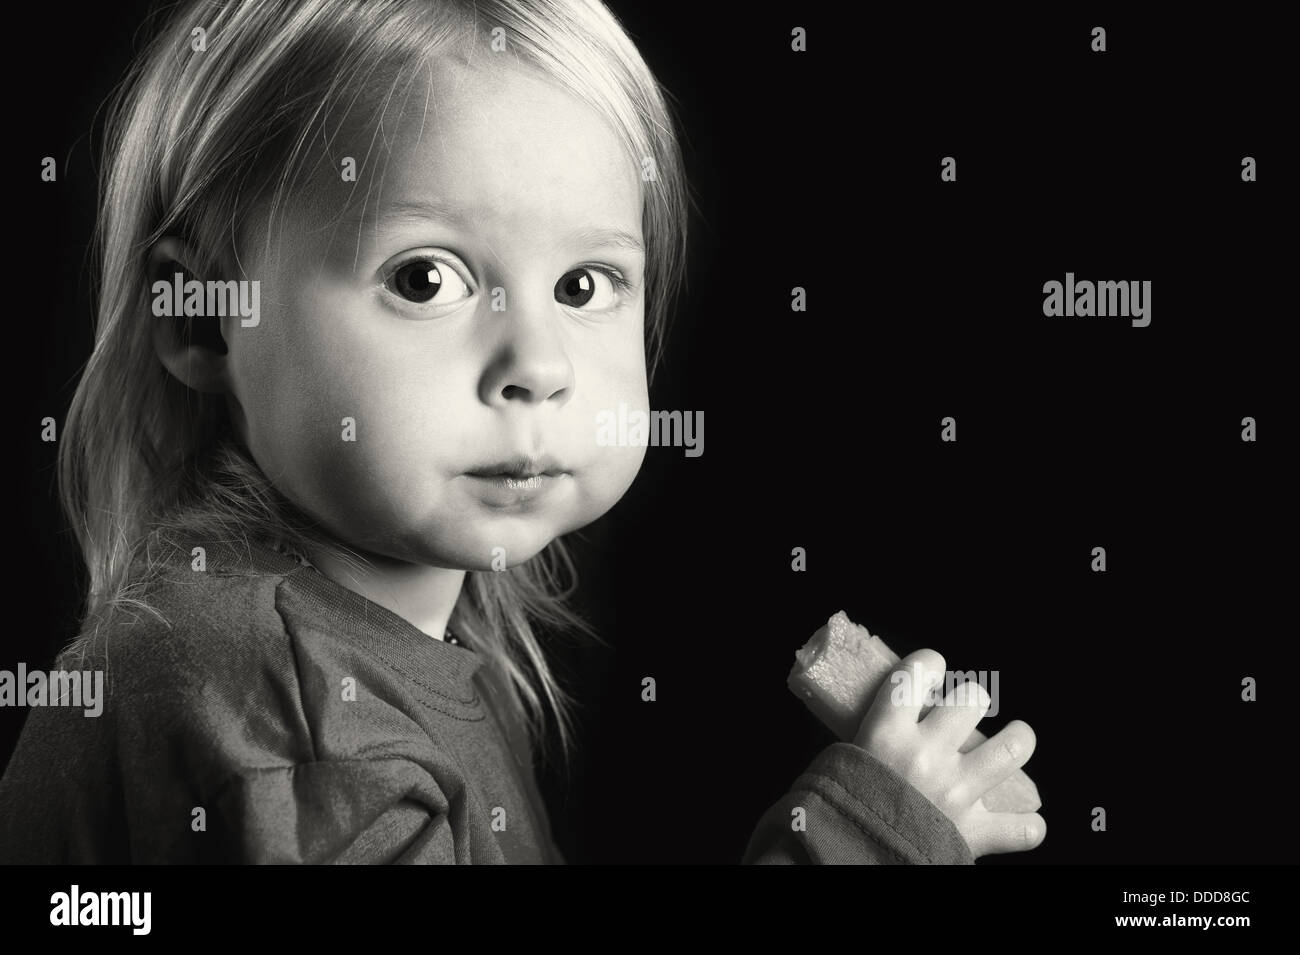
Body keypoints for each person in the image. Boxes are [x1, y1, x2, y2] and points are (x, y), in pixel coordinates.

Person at [0, 0, 1043, 864]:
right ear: (199, 317)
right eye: (426, 277)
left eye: (585, 284)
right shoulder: (297, 724)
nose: (539, 366)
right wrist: (865, 837)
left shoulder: (367, 643)